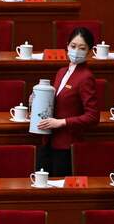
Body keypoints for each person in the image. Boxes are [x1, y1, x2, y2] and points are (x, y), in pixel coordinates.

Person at [36, 27, 100, 176]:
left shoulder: (86, 77)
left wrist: (62, 122)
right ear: (67, 46)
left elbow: (92, 116)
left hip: (66, 145)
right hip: (48, 140)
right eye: (73, 46)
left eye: (82, 48)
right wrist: (37, 100)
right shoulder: (61, 72)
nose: (76, 51)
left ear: (89, 51)